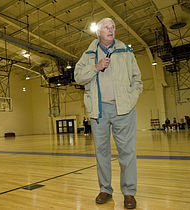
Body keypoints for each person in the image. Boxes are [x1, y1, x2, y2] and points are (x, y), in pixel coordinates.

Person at [74, 17, 142, 209]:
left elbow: (138, 79)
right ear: (98, 33)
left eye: (113, 27)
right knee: (101, 152)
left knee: (127, 153)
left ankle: (129, 193)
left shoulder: (126, 52)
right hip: (99, 111)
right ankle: (105, 189)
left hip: (124, 110)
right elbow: (78, 77)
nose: (111, 30)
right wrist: (96, 67)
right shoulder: (88, 54)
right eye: (106, 27)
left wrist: (131, 99)